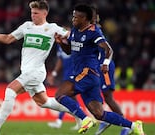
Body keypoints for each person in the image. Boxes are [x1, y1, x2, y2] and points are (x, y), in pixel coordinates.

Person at [0, 1, 74, 135]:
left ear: (44, 13)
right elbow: (7, 38)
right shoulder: (27, 26)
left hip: (37, 72)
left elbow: (71, 35)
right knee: (44, 102)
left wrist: (88, 36)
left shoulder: (52, 28)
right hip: (27, 72)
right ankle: (77, 112)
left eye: (36, 13)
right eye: (31, 13)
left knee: (11, 90)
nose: (33, 15)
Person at [54, 4, 145, 135]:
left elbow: (108, 49)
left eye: (76, 17)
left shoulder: (93, 32)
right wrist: (61, 43)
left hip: (86, 73)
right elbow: (69, 51)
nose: (73, 19)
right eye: (73, 16)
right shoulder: (75, 30)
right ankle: (133, 125)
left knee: (59, 94)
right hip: (89, 77)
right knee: (99, 114)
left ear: (84, 18)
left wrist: (106, 63)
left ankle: (85, 119)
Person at [91, 7, 131, 135]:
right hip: (97, 66)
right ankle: (106, 118)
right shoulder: (87, 30)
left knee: (108, 96)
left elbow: (108, 49)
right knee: (97, 93)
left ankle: (125, 124)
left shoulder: (96, 30)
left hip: (105, 67)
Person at [47, 45, 82, 130]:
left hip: (74, 74)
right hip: (66, 75)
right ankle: (81, 120)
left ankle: (59, 121)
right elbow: (60, 59)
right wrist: (54, 73)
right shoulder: (60, 44)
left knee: (62, 96)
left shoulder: (74, 41)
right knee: (71, 99)